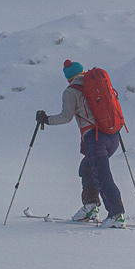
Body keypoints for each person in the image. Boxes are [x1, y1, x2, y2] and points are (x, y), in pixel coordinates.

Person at [36, 60, 126, 226]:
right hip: (113, 136)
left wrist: (46, 120)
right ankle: (90, 206)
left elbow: (66, 117)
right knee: (87, 168)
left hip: (95, 138)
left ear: (68, 77)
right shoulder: (98, 83)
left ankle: (116, 215)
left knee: (102, 176)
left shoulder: (71, 91)